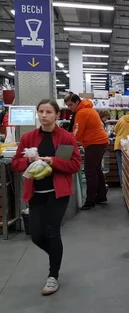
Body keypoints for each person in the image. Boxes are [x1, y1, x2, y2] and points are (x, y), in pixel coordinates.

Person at [11, 99, 81, 295]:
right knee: (36, 235)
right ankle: (56, 255)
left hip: (58, 193)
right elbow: (16, 163)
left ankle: (53, 276)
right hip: (35, 193)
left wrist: (53, 161)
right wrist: (28, 161)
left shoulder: (66, 138)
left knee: (52, 231)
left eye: (48, 111)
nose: (44, 115)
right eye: (41, 111)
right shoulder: (28, 138)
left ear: (57, 115)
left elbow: (75, 165)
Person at [64, 93, 109, 210]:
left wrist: (67, 140)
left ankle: (90, 200)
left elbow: (77, 133)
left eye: (71, 105)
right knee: (96, 169)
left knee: (90, 171)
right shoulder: (89, 109)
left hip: (94, 143)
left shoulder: (82, 112)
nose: (70, 108)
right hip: (101, 141)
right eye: (68, 106)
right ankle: (101, 196)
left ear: (77, 102)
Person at [114, 109, 129, 182]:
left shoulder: (121, 119)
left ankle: (122, 183)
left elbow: (115, 130)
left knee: (120, 164)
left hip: (119, 144)